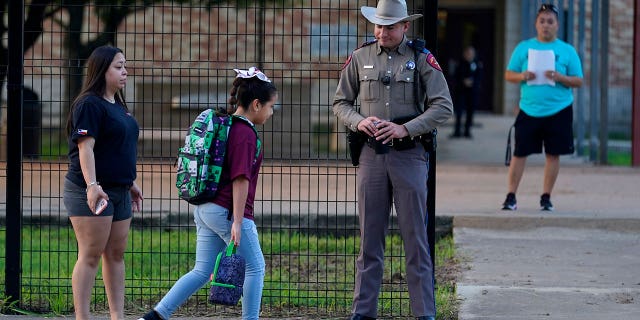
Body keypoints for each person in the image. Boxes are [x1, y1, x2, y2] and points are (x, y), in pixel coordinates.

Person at [332, 0, 453, 319]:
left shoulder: (422, 58)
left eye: (389, 26)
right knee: (369, 239)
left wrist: (404, 128)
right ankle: (362, 312)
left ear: (404, 27)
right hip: (371, 156)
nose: (382, 31)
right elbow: (340, 102)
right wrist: (359, 121)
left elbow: (443, 107)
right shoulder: (360, 57)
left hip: (410, 155)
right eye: (379, 25)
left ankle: (424, 312)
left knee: (416, 238)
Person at [138, 67, 278, 320]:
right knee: (255, 268)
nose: (271, 113)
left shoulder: (225, 125)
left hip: (205, 209)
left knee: (202, 270)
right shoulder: (245, 133)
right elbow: (240, 178)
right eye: (270, 107)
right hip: (227, 211)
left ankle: (153, 317)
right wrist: (237, 221)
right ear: (257, 104)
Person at [63, 45, 143, 320]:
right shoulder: (88, 104)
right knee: (91, 254)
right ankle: (82, 317)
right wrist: (92, 185)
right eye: (118, 67)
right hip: (91, 190)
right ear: (101, 70)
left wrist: (129, 182)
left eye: (125, 66)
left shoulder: (117, 104)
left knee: (116, 254)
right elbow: (86, 148)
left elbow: (118, 146)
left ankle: (116, 317)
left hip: (120, 191)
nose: (125, 71)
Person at [502, 3, 583, 211]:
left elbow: (579, 80)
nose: (546, 25)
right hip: (529, 109)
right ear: (536, 24)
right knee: (520, 153)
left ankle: (546, 197)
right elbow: (509, 74)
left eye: (550, 21)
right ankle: (511, 196)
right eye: (542, 21)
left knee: (553, 154)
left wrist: (560, 77)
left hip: (559, 110)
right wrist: (522, 75)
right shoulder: (524, 48)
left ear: (557, 25)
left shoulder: (567, 50)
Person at [450, 46, 482, 138]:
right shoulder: (460, 63)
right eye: (467, 53)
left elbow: (479, 78)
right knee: (459, 112)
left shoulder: (477, 64)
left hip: (472, 92)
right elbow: (455, 76)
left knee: (470, 112)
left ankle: (467, 131)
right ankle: (457, 131)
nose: (469, 55)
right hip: (461, 91)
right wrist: (463, 81)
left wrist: (473, 82)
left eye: (471, 54)